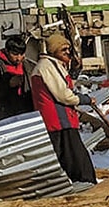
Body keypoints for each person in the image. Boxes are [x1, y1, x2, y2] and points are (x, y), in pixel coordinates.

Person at [31, 33, 97, 183]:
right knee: (75, 156)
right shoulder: (47, 66)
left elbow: (66, 86)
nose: (68, 52)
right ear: (53, 51)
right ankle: (85, 183)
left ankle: (75, 182)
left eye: (68, 49)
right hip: (58, 120)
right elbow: (63, 94)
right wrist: (84, 99)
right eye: (63, 49)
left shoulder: (54, 65)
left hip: (60, 120)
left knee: (67, 155)